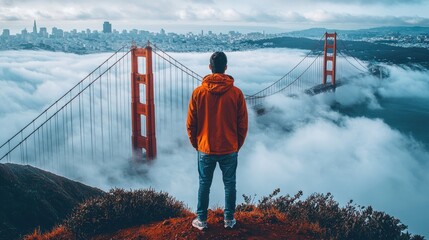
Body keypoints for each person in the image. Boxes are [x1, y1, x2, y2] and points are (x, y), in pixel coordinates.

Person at [186, 51, 248, 230]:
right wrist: (236, 145)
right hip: (229, 147)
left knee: (204, 184)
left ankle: (202, 220)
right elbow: (242, 124)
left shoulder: (198, 93)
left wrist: (198, 145)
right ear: (226, 68)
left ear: (210, 68)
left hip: (206, 148)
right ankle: (229, 220)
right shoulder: (236, 93)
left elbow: (191, 124)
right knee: (230, 184)